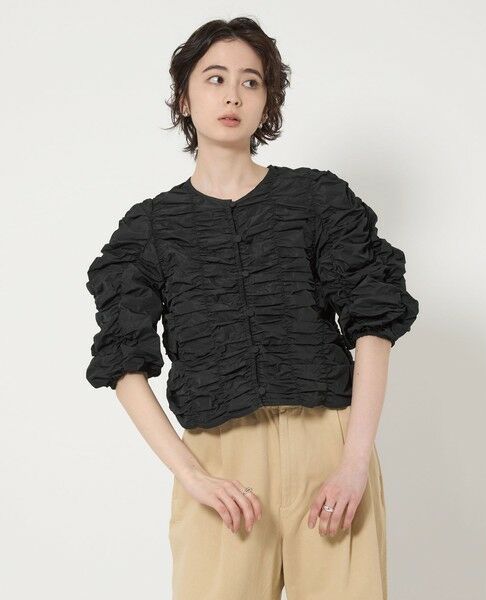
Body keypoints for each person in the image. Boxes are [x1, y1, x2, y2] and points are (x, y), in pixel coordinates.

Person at [85, 16, 419, 600]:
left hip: (329, 450)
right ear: (184, 98)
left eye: (251, 81)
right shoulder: (149, 230)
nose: (233, 96)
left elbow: (373, 325)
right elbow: (123, 362)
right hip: (221, 467)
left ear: (268, 103)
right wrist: (191, 474)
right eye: (215, 79)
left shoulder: (318, 200)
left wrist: (354, 462)